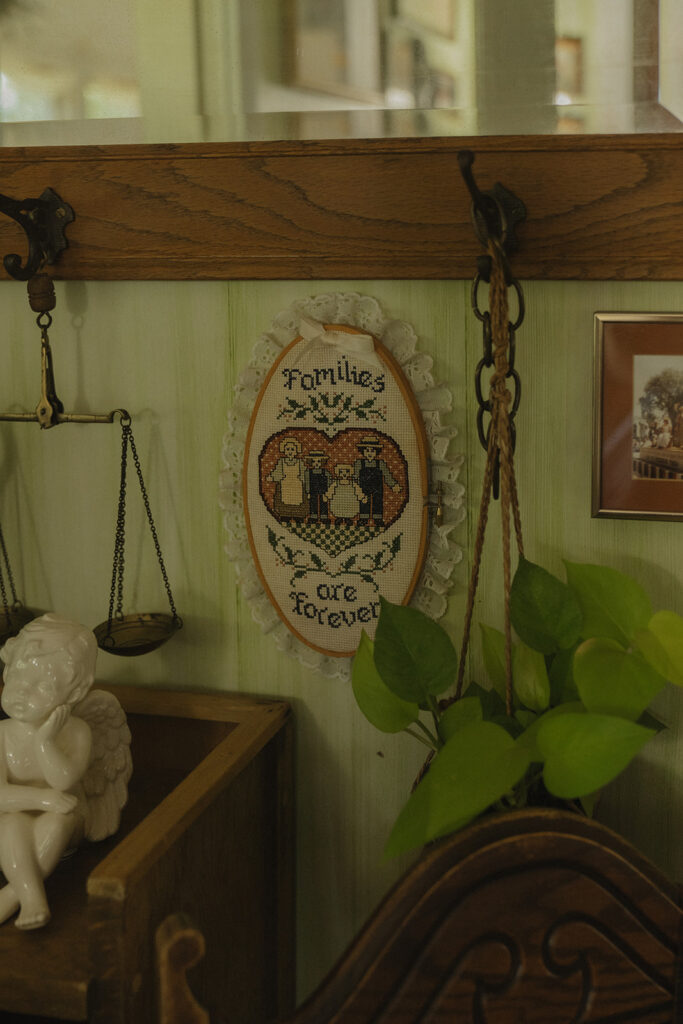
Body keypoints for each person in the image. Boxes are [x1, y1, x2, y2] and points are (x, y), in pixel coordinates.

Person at [0, 614, 97, 929]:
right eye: (16, 677)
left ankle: (10, 896)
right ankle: (29, 898)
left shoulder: (78, 731)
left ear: (72, 695)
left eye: (42, 685)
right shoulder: (2, 734)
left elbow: (64, 782)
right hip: (21, 813)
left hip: (68, 819)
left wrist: (45, 742)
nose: (23, 692)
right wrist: (42, 799)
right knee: (10, 824)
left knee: (59, 820)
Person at [352, 436, 401, 528]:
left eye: (372, 451)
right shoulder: (359, 463)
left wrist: (393, 485)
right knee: (364, 502)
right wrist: (355, 486)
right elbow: (355, 475)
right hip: (363, 487)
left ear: (376, 452)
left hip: (377, 487)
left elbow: (387, 475)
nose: (370, 453)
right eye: (367, 450)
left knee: (377, 502)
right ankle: (363, 519)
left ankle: (377, 519)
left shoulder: (380, 463)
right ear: (363, 451)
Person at [267, 436, 308, 524]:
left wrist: (306, 481)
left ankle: (298, 516)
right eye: (288, 449)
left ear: (296, 451)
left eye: (292, 449)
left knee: (297, 501)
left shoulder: (299, 462)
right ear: (284, 450)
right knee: (285, 500)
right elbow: (278, 472)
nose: (290, 452)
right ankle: (285, 516)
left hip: (297, 485)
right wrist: (272, 477)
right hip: (285, 484)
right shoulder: (282, 461)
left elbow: (304, 473)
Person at [304, 450, 331, 523]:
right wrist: (308, 492)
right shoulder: (308, 472)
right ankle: (313, 517)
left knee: (323, 504)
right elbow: (307, 482)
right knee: (313, 504)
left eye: (318, 461)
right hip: (313, 491)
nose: (316, 463)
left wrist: (327, 493)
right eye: (314, 461)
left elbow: (329, 481)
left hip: (323, 491)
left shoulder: (325, 472)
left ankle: (324, 517)